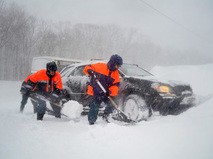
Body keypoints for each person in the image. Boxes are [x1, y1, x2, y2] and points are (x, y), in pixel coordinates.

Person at [83, 54, 123, 125]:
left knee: (112, 104)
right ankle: (91, 121)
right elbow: (87, 67)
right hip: (96, 91)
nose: (118, 67)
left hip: (105, 93)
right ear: (112, 63)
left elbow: (115, 86)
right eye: (117, 65)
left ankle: (106, 116)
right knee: (94, 106)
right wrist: (89, 70)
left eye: (119, 66)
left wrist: (110, 92)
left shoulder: (115, 73)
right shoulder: (100, 66)